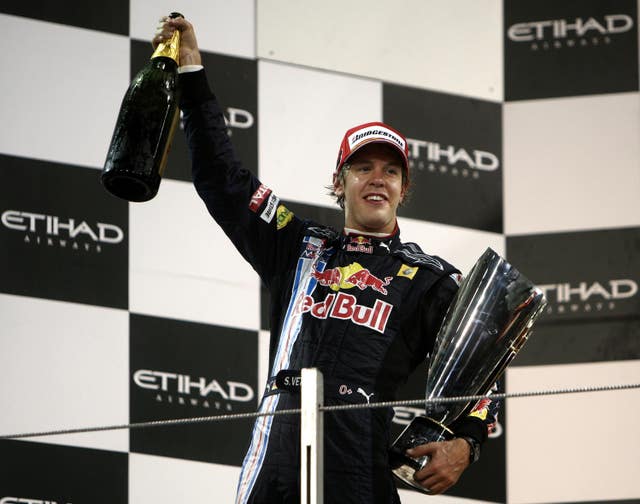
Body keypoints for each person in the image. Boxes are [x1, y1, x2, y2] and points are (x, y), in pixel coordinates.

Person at [153, 16, 498, 504]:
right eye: (363, 167)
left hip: (361, 456)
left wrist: (467, 443)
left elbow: (482, 364)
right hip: (278, 445)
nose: (377, 178)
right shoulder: (297, 245)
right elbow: (220, 177)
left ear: (404, 189)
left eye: (391, 171)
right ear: (340, 183)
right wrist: (190, 72)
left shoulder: (430, 278)